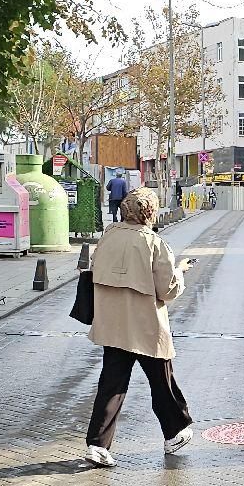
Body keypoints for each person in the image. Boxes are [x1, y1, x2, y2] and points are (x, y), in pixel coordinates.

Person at [83, 185, 193, 466]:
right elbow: (167, 290)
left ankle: (98, 444)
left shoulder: (109, 237)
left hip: (113, 324)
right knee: (162, 382)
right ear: (150, 212)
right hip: (146, 325)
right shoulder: (154, 243)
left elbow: (95, 269)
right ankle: (175, 433)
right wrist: (180, 271)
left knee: (111, 385)